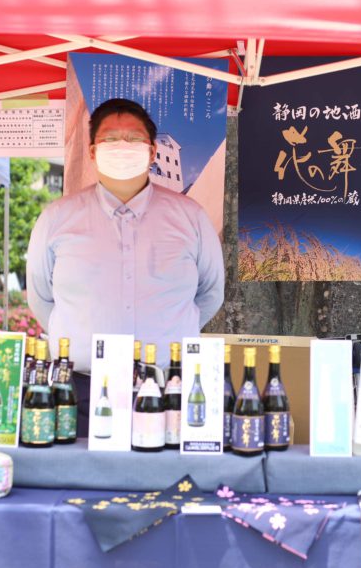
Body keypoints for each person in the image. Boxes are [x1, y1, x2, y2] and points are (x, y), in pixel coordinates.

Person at [27, 98, 225, 431]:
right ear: (93, 152)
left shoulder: (190, 218)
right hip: (80, 388)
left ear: (152, 151)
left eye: (133, 138)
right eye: (110, 139)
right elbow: (41, 298)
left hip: (169, 387)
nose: (122, 146)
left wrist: (172, 330)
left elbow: (210, 293)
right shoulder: (57, 218)